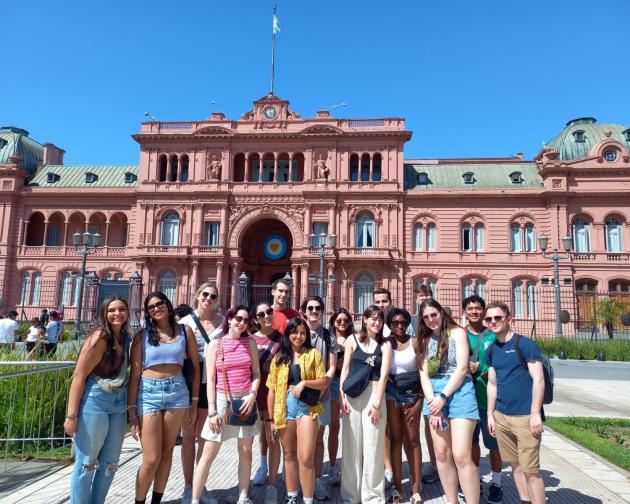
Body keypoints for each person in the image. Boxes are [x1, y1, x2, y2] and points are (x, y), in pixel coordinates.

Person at [128, 292, 200, 504]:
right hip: (148, 393)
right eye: (151, 307)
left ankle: (156, 501)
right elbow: (134, 375)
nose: (156, 308)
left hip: (177, 392)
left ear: (168, 305)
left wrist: (194, 402)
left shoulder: (185, 331)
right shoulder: (142, 336)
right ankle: (139, 501)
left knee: (167, 452)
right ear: (148, 313)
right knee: (151, 458)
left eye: (159, 304)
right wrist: (131, 412)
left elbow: (195, 368)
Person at [192, 305, 261, 504]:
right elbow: (211, 379)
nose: (242, 323)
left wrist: (252, 394)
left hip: (246, 400)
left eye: (246, 320)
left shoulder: (250, 343)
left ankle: (243, 495)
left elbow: (256, 373)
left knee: (246, 451)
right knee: (209, 452)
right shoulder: (216, 344)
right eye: (238, 318)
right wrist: (212, 410)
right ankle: (195, 499)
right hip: (222, 400)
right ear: (229, 319)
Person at [65, 296, 131, 504]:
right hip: (96, 400)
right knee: (87, 462)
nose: (117, 313)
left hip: (118, 402)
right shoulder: (100, 337)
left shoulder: (125, 338)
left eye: (121, 309)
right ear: (104, 313)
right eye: (112, 310)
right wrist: (71, 415)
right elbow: (78, 376)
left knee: (111, 462)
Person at [418, 299, 480, 504]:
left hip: (459, 391)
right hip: (433, 396)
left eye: (434, 315)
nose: (431, 320)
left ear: (442, 313)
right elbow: (423, 374)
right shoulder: (425, 340)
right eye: (426, 317)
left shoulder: (458, 332)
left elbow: (462, 369)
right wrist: (432, 403)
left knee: (462, 455)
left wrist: (443, 397)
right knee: (442, 454)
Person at [485, 302, 546, 504]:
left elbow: (539, 379)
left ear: (509, 319)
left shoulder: (524, 344)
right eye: (489, 319)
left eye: (498, 318)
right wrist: (490, 415)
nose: (493, 322)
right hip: (502, 416)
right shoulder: (492, 349)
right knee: (515, 465)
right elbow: (492, 384)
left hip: (525, 417)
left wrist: (535, 413)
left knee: (531, 470)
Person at [266, 317, 328, 504]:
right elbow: (271, 391)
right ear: (288, 334)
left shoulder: (313, 354)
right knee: (289, 455)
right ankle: (292, 497)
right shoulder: (278, 359)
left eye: (302, 333)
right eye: (295, 332)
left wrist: (304, 382)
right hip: (284, 409)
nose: (298, 336)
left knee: (306, 457)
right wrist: (270, 421)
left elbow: (324, 381)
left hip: (307, 409)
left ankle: (308, 500)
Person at [339, 305, 392, 504]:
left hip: (374, 393)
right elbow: (345, 368)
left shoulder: (385, 344)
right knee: (351, 445)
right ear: (365, 319)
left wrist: (377, 403)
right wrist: (342, 395)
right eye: (373, 319)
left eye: (379, 319)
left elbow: (385, 374)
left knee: (373, 446)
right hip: (352, 395)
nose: (376, 323)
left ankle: (373, 496)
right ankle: (351, 496)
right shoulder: (352, 340)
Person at [178, 283, 225, 504]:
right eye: (205, 294)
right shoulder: (184, 323)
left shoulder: (223, 324)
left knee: (205, 438)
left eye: (213, 296)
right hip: (189, 386)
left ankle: (200, 485)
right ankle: (188, 487)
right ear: (197, 296)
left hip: (211, 387)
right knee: (188, 437)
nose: (208, 298)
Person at [462, 295, 504, 503]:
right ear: (464, 312)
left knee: (494, 445)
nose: (474, 312)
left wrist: (482, 368)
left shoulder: (492, 336)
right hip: (466, 400)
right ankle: (474, 480)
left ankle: (496, 483)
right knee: (471, 444)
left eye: (478, 308)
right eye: (470, 309)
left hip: (489, 400)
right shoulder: (459, 335)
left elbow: (502, 363)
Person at [300, 296, 338, 501]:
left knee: (318, 439)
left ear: (322, 311)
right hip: (300, 393)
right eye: (310, 308)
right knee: (301, 440)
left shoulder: (328, 335)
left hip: (322, 393)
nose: (314, 311)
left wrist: (326, 380)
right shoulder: (298, 332)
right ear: (304, 310)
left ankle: (316, 480)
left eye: (317, 308)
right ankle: (301, 480)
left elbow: (332, 365)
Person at [385, 308, 423, 504]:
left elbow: (423, 373)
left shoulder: (414, 342)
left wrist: (419, 401)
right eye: (395, 322)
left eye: (403, 322)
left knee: (413, 440)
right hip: (391, 393)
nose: (399, 325)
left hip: (411, 393)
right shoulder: (386, 344)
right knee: (395, 439)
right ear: (389, 324)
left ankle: (416, 488)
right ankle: (398, 487)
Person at [250, 302, 282, 504]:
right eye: (261, 314)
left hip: (275, 392)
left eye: (269, 312)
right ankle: (262, 465)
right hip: (255, 391)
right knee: (258, 433)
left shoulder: (282, 338)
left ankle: (272, 483)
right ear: (256, 319)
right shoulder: (251, 339)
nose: (266, 316)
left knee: (273, 435)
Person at [408, 284, 440, 486]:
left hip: (436, 377)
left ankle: (439, 464)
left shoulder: (437, 317)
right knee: (423, 424)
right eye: (419, 296)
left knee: (435, 423)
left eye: (426, 295)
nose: (422, 299)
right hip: (417, 377)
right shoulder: (411, 321)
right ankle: (431, 464)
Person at [326, 307, 354, 486]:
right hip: (335, 383)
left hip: (352, 384)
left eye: (345, 320)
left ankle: (351, 466)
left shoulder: (355, 338)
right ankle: (333, 465)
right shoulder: (330, 339)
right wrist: (337, 365)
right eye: (339, 321)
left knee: (352, 427)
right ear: (333, 323)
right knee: (334, 425)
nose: (342, 323)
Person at [372, 287, 395, 487]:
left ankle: (389, 467)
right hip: (375, 384)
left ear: (390, 301)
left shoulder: (398, 323)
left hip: (394, 383)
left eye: (384, 301)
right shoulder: (371, 326)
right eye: (377, 302)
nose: (381, 305)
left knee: (390, 428)